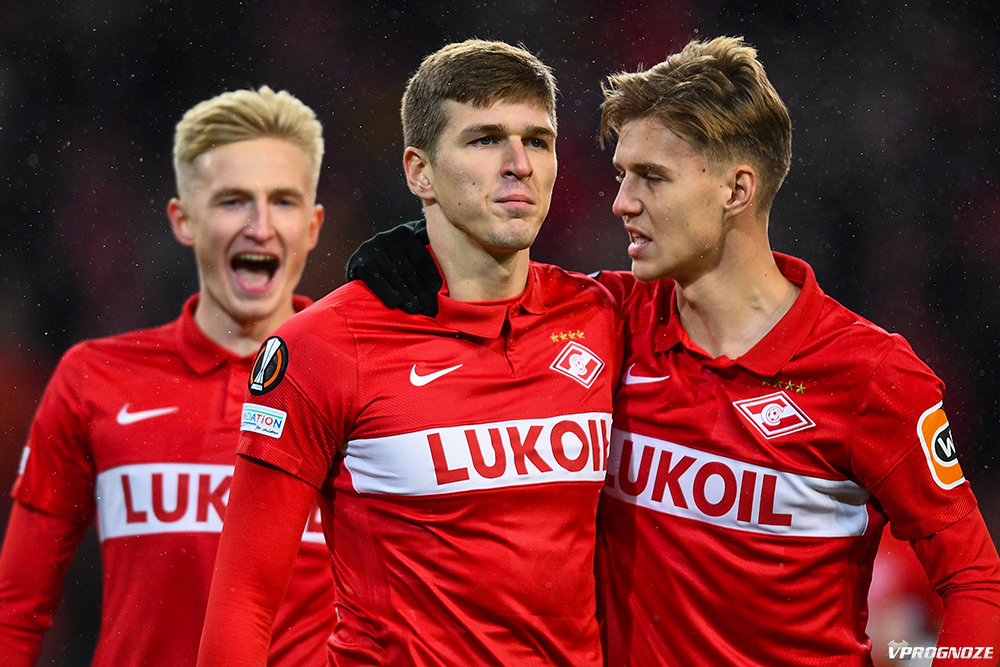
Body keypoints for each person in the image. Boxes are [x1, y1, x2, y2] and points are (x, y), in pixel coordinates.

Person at [347, 36, 1000, 667]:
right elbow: (487, 279)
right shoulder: (604, 318)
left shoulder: (869, 375)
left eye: (652, 178)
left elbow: (975, 579)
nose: (621, 202)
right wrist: (411, 245)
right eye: (622, 175)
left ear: (736, 191)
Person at [196, 40, 621, 667]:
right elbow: (244, 600)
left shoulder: (605, 316)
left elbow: (739, 291)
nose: (519, 165)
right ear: (419, 172)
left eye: (538, 140)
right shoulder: (322, 347)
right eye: (484, 139)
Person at [0, 86, 337, 667]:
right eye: (233, 201)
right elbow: (16, 605)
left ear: (312, 225)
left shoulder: (366, 382)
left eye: (283, 201)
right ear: (183, 220)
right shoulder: (94, 378)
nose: (260, 226)